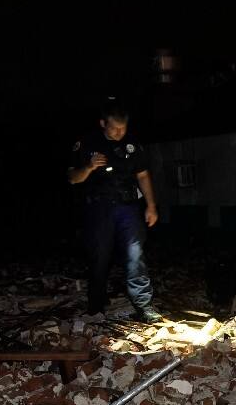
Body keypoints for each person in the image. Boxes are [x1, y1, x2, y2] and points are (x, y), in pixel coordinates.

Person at [66, 101, 163, 322]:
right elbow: (73, 178)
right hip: (99, 210)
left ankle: (144, 306)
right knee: (100, 257)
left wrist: (151, 206)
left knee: (135, 256)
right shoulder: (87, 143)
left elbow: (143, 176)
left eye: (123, 128)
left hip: (128, 208)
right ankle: (96, 306)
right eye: (115, 128)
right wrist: (89, 167)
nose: (120, 133)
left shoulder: (132, 144)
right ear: (103, 123)